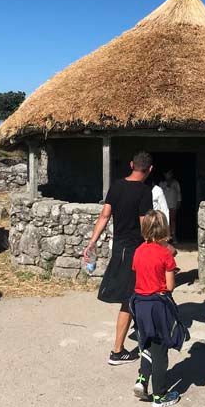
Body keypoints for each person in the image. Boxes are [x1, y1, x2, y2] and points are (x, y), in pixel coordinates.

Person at [84, 151, 153, 365]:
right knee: (129, 299)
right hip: (135, 250)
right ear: (150, 170)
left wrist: (92, 241)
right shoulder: (144, 191)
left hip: (120, 247)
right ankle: (117, 351)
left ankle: (138, 329)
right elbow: (144, 223)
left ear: (132, 164)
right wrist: (156, 245)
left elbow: (104, 215)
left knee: (137, 295)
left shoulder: (116, 186)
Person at [130, 210, 186, 407]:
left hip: (139, 304)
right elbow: (169, 287)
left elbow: (137, 271)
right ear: (165, 229)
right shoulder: (165, 254)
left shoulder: (138, 251)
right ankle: (160, 396)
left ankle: (143, 379)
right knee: (160, 350)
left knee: (145, 343)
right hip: (158, 305)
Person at [160, 170, 181, 241]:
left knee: (173, 220)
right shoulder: (161, 183)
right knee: (165, 220)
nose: (168, 175)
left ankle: (173, 235)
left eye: (169, 174)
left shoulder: (175, 183)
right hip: (164, 205)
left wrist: (179, 201)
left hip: (173, 204)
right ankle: (165, 236)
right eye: (167, 174)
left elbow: (178, 193)